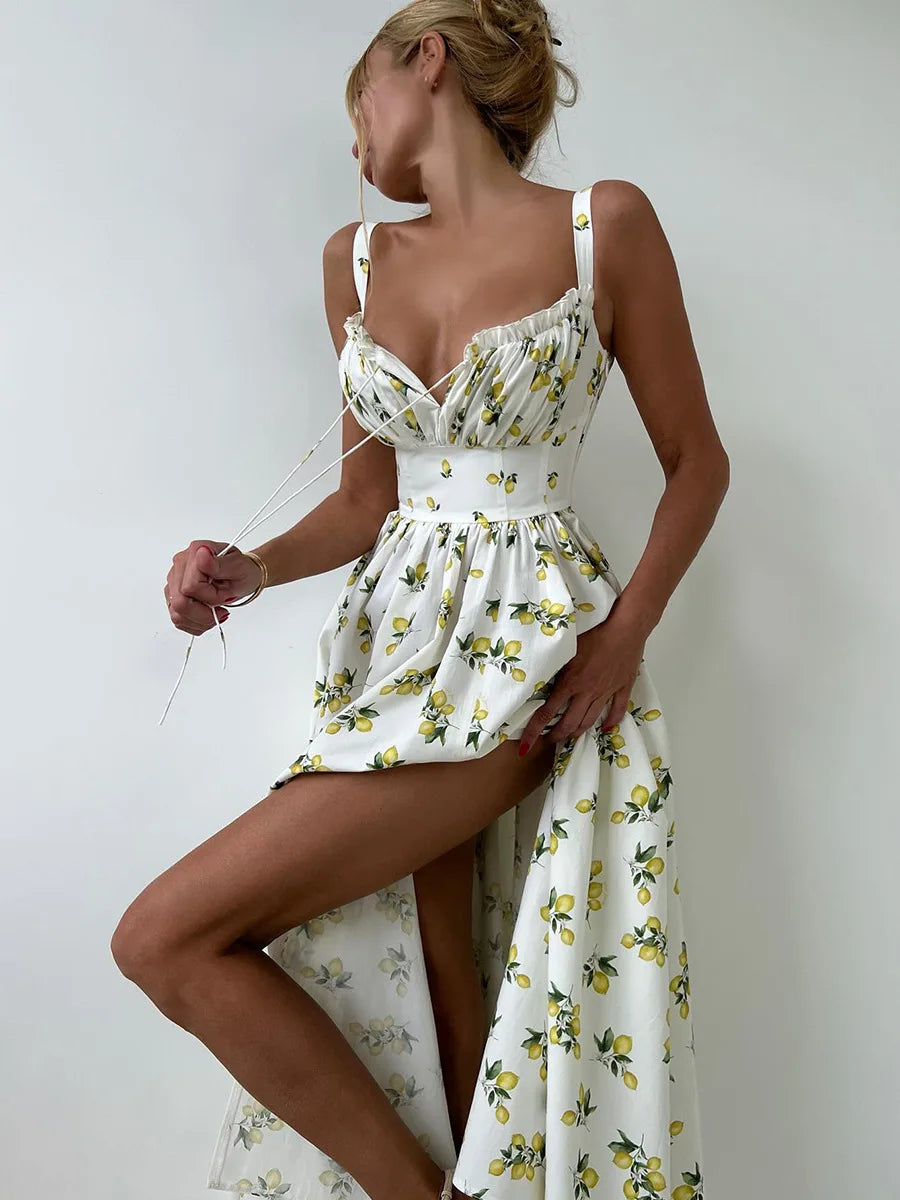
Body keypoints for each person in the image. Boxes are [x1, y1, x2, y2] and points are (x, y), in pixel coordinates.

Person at [111, 3, 728, 1200]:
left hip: (525, 662)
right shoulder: (354, 265)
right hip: (390, 664)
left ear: (424, 60)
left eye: (359, 111)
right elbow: (364, 504)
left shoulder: (607, 227)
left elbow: (698, 463)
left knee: (163, 935)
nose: (355, 152)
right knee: (450, 985)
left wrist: (622, 637)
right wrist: (248, 568)